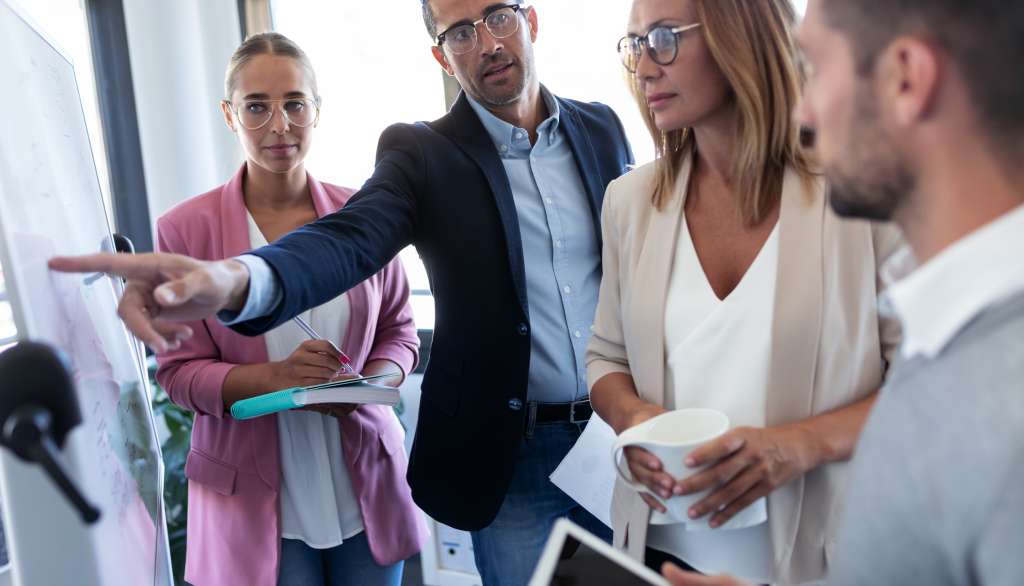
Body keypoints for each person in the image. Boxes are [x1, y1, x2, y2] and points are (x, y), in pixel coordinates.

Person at [50, 1, 634, 584]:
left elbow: (630, 272)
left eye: (499, 16)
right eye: (460, 32)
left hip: (612, 437)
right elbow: (344, 242)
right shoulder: (421, 154)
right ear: (441, 54)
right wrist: (234, 279)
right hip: (509, 457)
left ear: (530, 21)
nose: (486, 42)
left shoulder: (601, 128)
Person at [663, 0, 1024, 584]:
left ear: (906, 78)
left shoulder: (1006, 403)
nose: (803, 112)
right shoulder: (949, 336)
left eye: (815, 68)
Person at [586, 0, 903, 583]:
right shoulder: (630, 203)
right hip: (662, 551)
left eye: (663, 38)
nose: (645, 66)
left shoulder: (864, 195)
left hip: (822, 554)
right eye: (634, 45)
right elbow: (607, 357)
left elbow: (931, 380)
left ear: (743, 34)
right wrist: (634, 419)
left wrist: (800, 445)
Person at [152, 33, 427, 586]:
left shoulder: (363, 214)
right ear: (231, 116)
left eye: (294, 103)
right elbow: (179, 375)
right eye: (257, 106)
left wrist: (367, 383)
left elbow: (400, 330)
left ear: (316, 110)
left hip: (361, 481)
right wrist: (278, 379)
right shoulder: (184, 230)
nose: (279, 125)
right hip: (251, 497)